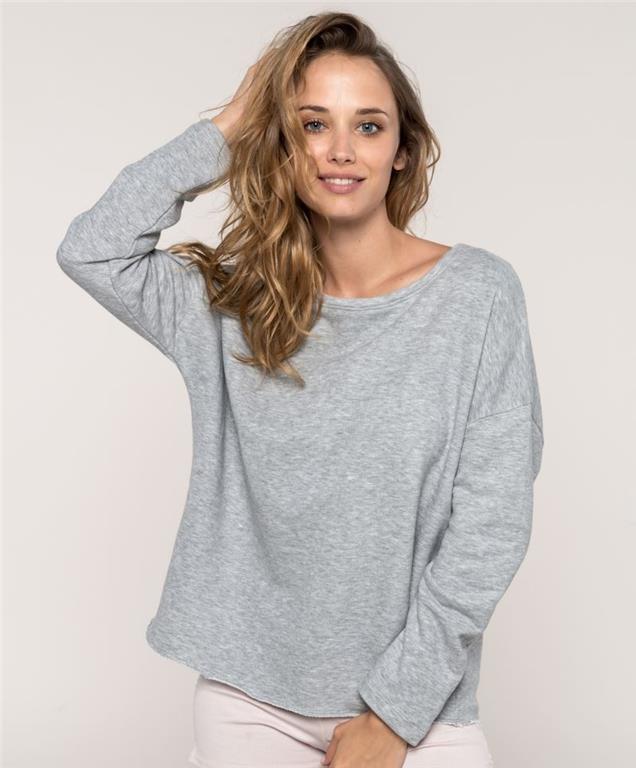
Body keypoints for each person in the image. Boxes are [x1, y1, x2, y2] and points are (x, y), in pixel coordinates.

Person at [56, 10, 543, 768]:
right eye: (313, 124)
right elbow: (93, 250)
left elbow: (492, 525)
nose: (341, 150)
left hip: (419, 707)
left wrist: (392, 715)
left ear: (403, 151)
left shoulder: (477, 296)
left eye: (369, 126)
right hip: (250, 702)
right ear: (283, 144)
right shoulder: (230, 305)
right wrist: (230, 124)